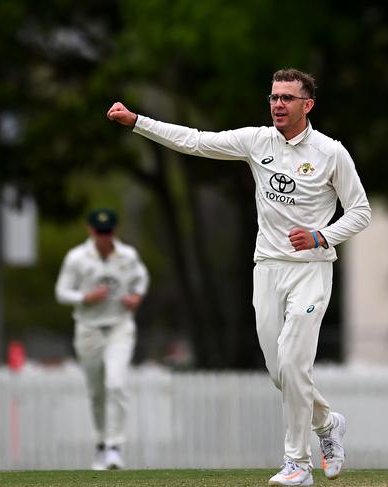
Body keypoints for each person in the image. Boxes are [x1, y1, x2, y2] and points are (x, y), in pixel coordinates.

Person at [107, 68, 371, 486]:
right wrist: (138, 122)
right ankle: (327, 425)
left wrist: (322, 236)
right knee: (279, 371)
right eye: (273, 97)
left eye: (287, 98)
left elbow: (360, 212)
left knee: (293, 362)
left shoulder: (330, 152)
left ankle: (297, 464)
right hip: (267, 267)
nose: (278, 104)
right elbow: (194, 140)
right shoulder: (257, 141)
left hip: (311, 270)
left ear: (308, 105)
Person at [55, 208, 149, 470]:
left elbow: (142, 279)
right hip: (88, 329)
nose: (104, 238)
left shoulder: (127, 256)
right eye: (100, 232)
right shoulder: (77, 258)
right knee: (97, 392)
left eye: (108, 232)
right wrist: (85, 298)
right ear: (91, 230)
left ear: (114, 231)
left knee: (116, 385)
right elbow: (62, 292)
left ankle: (114, 447)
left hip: (120, 326)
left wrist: (136, 298)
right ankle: (100, 443)